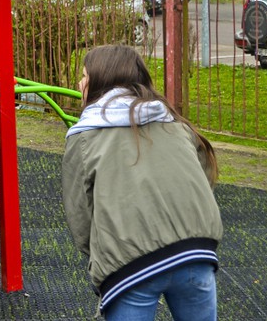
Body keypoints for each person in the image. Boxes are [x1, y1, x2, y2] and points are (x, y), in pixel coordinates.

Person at [62, 45, 223, 321]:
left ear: (101, 81)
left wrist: (102, 256)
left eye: (85, 75)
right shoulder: (174, 123)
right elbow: (204, 176)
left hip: (131, 265)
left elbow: (80, 216)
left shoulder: (84, 138)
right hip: (195, 251)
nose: (80, 82)